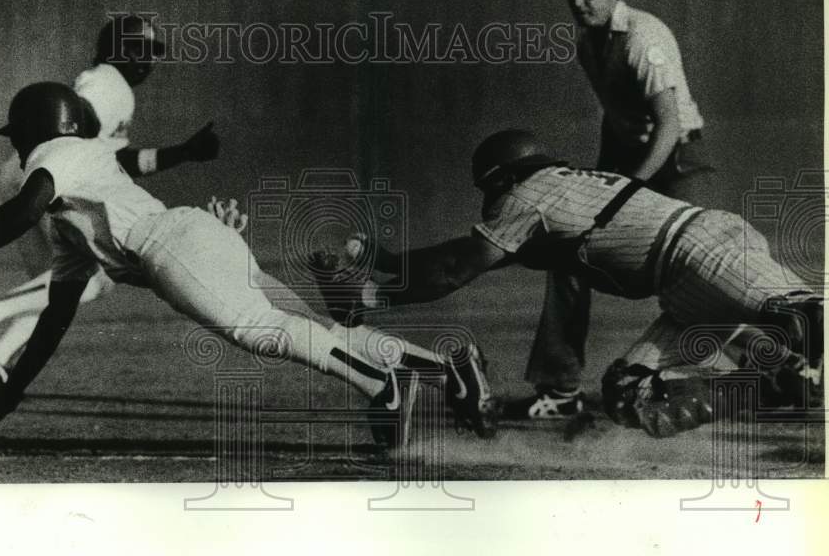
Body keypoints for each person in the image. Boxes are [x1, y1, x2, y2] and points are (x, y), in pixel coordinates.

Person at [0, 83, 489, 449]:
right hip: (194, 236)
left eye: (17, 136)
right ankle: (447, 368)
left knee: (266, 332)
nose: (16, 147)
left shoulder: (57, 154)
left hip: (171, 248)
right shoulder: (76, 217)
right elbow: (56, 315)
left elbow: (25, 205)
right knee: (324, 331)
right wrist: (15, 387)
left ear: (34, 131)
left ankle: (381, 386)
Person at [321, 130, 821, 438]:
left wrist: (373, 295)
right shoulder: (558, 188)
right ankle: (772, 388)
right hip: (682, 279)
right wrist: (387, 261)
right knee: (628, 394)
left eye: (488, 188)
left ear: (502, 178)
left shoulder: (527, 196)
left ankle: (793, 378)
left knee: (809, 318)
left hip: (697, 249)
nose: (488, 202)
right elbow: (466, 258)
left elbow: (457, 268)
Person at [0, 14, 220, 390]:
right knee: (90, 277)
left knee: (59, 283)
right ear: (118, 48)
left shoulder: (110, 85)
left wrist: (182, 152)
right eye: (140, 49)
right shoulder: (112, 84)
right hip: (48, 181)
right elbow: (79, 119)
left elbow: (118, 161)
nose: (149, 59)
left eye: (153, 51)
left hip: (32, 175)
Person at [521, 0, 716, 420]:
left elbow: (667, 126)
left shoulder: (644, 37)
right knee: (567, 249)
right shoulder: (588, 40)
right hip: (632, 158)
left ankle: (783, 369)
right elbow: (619, 116)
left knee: (702, 278)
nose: (578, 1)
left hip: (680, 160)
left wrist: (626, 188)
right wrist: (604, 180)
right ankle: (562, 388)